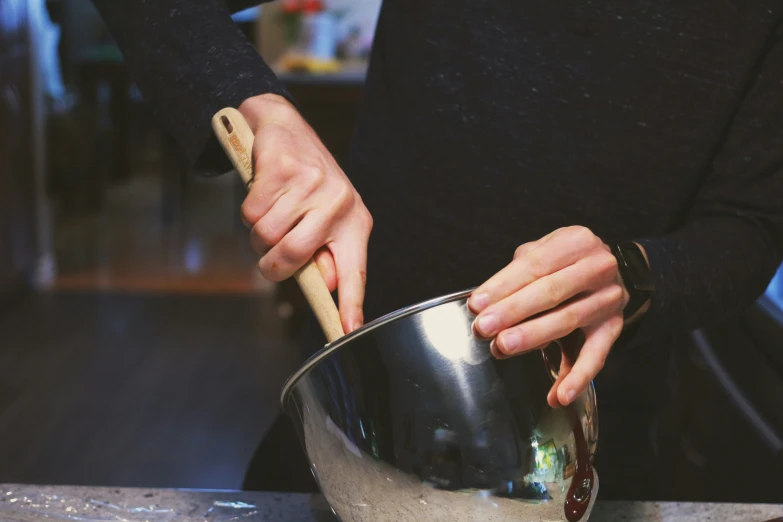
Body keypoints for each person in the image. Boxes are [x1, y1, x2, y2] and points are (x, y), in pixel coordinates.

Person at [90, 0, 783, 500]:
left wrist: (637, 274)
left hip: (584, 458)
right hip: (354, 436)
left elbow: (750, 225)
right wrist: (257, 104)